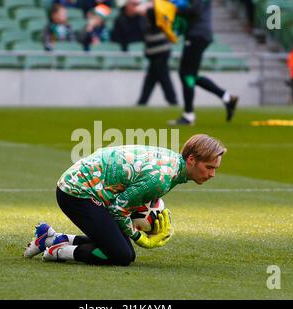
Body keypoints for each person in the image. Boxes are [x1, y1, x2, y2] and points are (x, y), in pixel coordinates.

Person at [24, 134, 226, 266]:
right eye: (209, 167)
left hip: (91, 190)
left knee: (120, 248)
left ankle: (50, 237)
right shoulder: (162, 179)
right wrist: (140, 237)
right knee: (121, 255)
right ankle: (58, 251)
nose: (213, 174)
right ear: (191, 160)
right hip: (76, 193)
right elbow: (119, 208)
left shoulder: (173, 163)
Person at [168, 0, 239, 126]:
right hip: (199, 34)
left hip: (197, 35)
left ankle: (189, 115)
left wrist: (172, 9)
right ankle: (227, 97)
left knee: (186, 73)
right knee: (191, 75)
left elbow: (194, 10)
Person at [137, 1, 178, 106]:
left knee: (163, 78)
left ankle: (172, 100)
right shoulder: (156, 12)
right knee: (152, 78)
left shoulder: (156, 12)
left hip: (160, 51)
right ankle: (143, 101)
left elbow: (149, 12)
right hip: (156, 52)